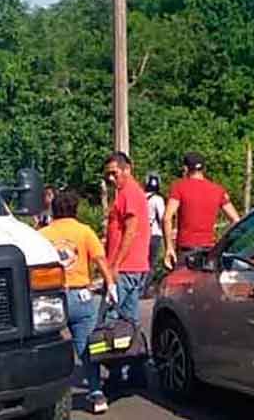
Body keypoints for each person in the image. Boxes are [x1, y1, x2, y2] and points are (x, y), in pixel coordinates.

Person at [38, 191, 117, 414]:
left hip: (51, 299)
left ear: (53, 209)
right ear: (75, 209)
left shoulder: (43, 234)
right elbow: (100, 259)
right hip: (82, 296)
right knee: (86, 349)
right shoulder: (84, 231)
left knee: (50, 347)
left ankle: (49, 396)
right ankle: (96, 393)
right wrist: (110, 285)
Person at [102, 152, 150, 381]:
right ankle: (135, 370)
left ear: (127, 169)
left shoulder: (129, 193)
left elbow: (130, 231)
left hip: (126, 267)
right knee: (129, 321)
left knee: (111, 322)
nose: (111, 178)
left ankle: (116, 373)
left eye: (114, 173)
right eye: (108, 175)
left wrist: (115, 265)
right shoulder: (129, 193)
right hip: (134, 266)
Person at [162, 152, 242, 270]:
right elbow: (236, 220)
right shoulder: (217, 190)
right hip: (210, 250)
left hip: (186, 250)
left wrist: (169, 247)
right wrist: (224, 244)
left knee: (182, 286)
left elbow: (167, 218)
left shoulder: (179, 187)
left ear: (185, 168)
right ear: (204, 169)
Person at [143, 173, 165, 294]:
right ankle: (145, 289)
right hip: (155, 234)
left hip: (142, 235)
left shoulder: (141, 197)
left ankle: (139, 287)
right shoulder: (158, 199)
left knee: (143, 262)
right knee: (152, 263)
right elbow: (162, 217)